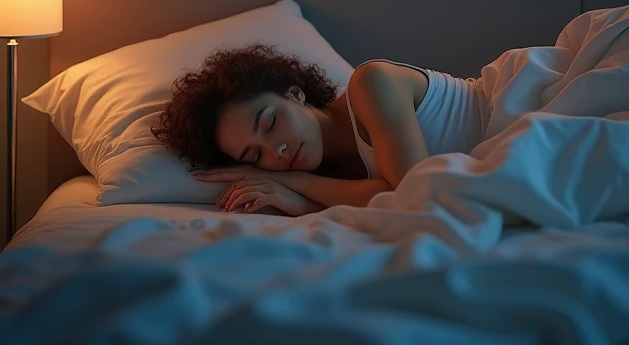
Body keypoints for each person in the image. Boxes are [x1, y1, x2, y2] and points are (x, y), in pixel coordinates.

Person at [152, 43, 488, 216]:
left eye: (269, 123)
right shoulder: (334, 179)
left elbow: (411, 194)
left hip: (518, 114)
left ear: (295, 94)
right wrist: (303, 202)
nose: (276, 152)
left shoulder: (371, 83)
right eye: (255, 155)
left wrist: (292, 183)